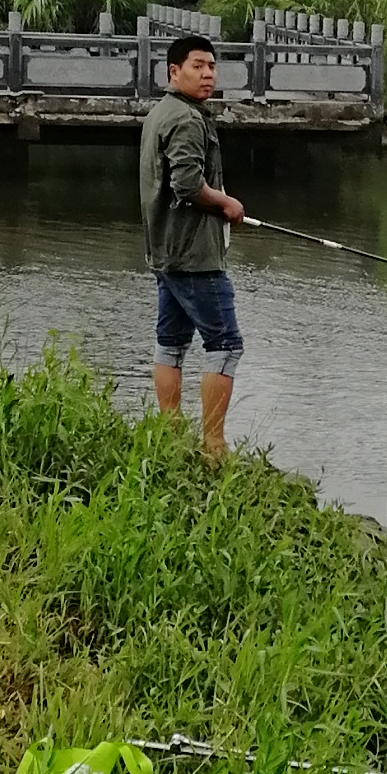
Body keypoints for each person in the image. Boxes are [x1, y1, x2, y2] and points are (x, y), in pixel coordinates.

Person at [139, 31, 246, 460]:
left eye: (212, 66)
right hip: (194, 255)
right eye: (197, 66)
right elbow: (186, 184)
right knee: (226, 345)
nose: (207, 74)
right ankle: (213, 446)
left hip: (165, 251)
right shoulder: (186, 120)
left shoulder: (161, 112)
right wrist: (226, 203)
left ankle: (169, 435)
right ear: (174, 71)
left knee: (171, 343)